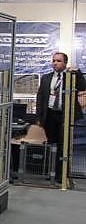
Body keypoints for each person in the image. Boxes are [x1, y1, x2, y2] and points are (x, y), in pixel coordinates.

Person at [36, 51, 86, 180]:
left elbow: (83, 87)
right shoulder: (46, 78)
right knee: (51, 144)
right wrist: (39, 117)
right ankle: (51, 173)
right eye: (53, 60)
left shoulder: (71, 77)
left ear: (65, 63)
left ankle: (62, 175)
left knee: (63, 145)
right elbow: (40, 97)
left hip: (65, 115)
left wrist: (78, 72)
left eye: (58, 61)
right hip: (50, 115)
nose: (55, 63)